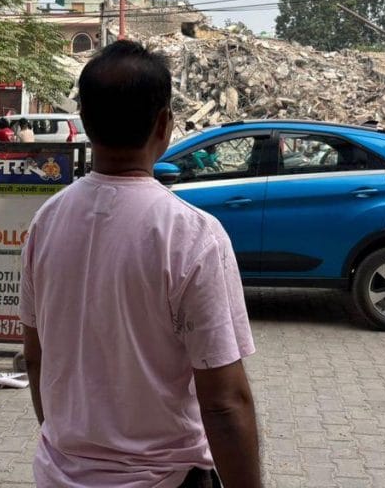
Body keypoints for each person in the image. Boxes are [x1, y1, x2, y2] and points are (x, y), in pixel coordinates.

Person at [19, 40, 261, 488]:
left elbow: (36, 359)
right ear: (165, 125)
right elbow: (225, 403)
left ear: (86, 123)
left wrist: (71, 446)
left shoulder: (45, 223)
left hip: (59, 475)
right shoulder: (193, 236)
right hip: (164, 478)